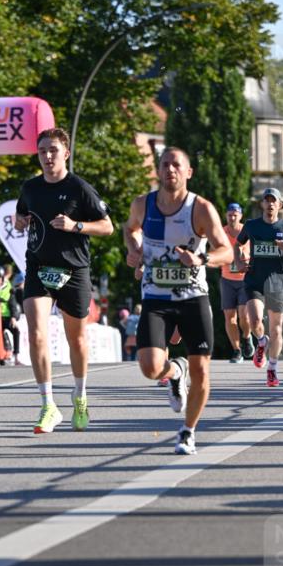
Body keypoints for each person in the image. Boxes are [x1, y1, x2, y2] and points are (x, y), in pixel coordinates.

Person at [123, 147, 232, 455]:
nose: (170, 169)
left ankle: (188, 431)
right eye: (165, 164)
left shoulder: (200, 208)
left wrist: (201, 258)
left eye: (177, 165)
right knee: (149, 367)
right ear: (158, 170)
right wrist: (134, 249)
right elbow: (130, 229)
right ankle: (175, 373)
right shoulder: (143, 204)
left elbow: (226, 250)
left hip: (192, 297)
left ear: (188, 172)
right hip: (156, 296)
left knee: (202, 370)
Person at [14, 127, 113, 432]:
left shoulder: (80, 188)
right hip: (39, 268)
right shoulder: (30, 188)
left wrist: (75, 225)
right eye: (42, 151)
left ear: (66, 153)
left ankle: (80, 396)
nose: (46, 156)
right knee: (36, 334)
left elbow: (107, 227)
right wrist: (21, 222)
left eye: (53, 150)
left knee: (77, 340)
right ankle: (48, 405)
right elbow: (21, 218)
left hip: (74, 270)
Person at [235, 188, 283, 386]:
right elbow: (239, 244)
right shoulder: (251, 225)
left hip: (277, 283)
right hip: (254, 279)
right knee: (254, 320)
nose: (270, 204)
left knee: (277, 329)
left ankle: (272, 368)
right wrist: (239, 261)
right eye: (267, 200)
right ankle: (261, 342)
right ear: (262, 204)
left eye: (274, 201)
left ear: (280, 205)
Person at [219, 202, 253, 363]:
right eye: (230, 214)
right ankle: (236, 350)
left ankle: (247, 337)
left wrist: (245, 257)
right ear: (226, 216)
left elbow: (253, 252)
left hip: (244, 280)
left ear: (240, 216)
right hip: (226, 280)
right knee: (229, 317)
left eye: (235, 214)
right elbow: (215, 249)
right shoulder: (221, 232)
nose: (232, 217)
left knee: (244, 317)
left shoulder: (246, 231)